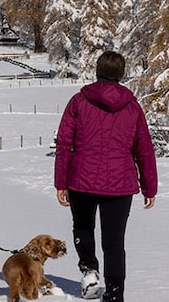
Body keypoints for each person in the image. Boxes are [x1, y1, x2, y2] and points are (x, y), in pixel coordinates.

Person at [53, 51, 158, 302]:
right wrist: (149, 187)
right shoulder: (132, 107)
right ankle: (115, 292)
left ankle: (89, 270)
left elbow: (64, 144)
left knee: (82, 227)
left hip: (82, 179)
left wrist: (61, 182)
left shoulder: (79, 102)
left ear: (97, 70)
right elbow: (144, 148)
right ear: (121, 73)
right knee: (114, 241)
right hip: (120, 183)